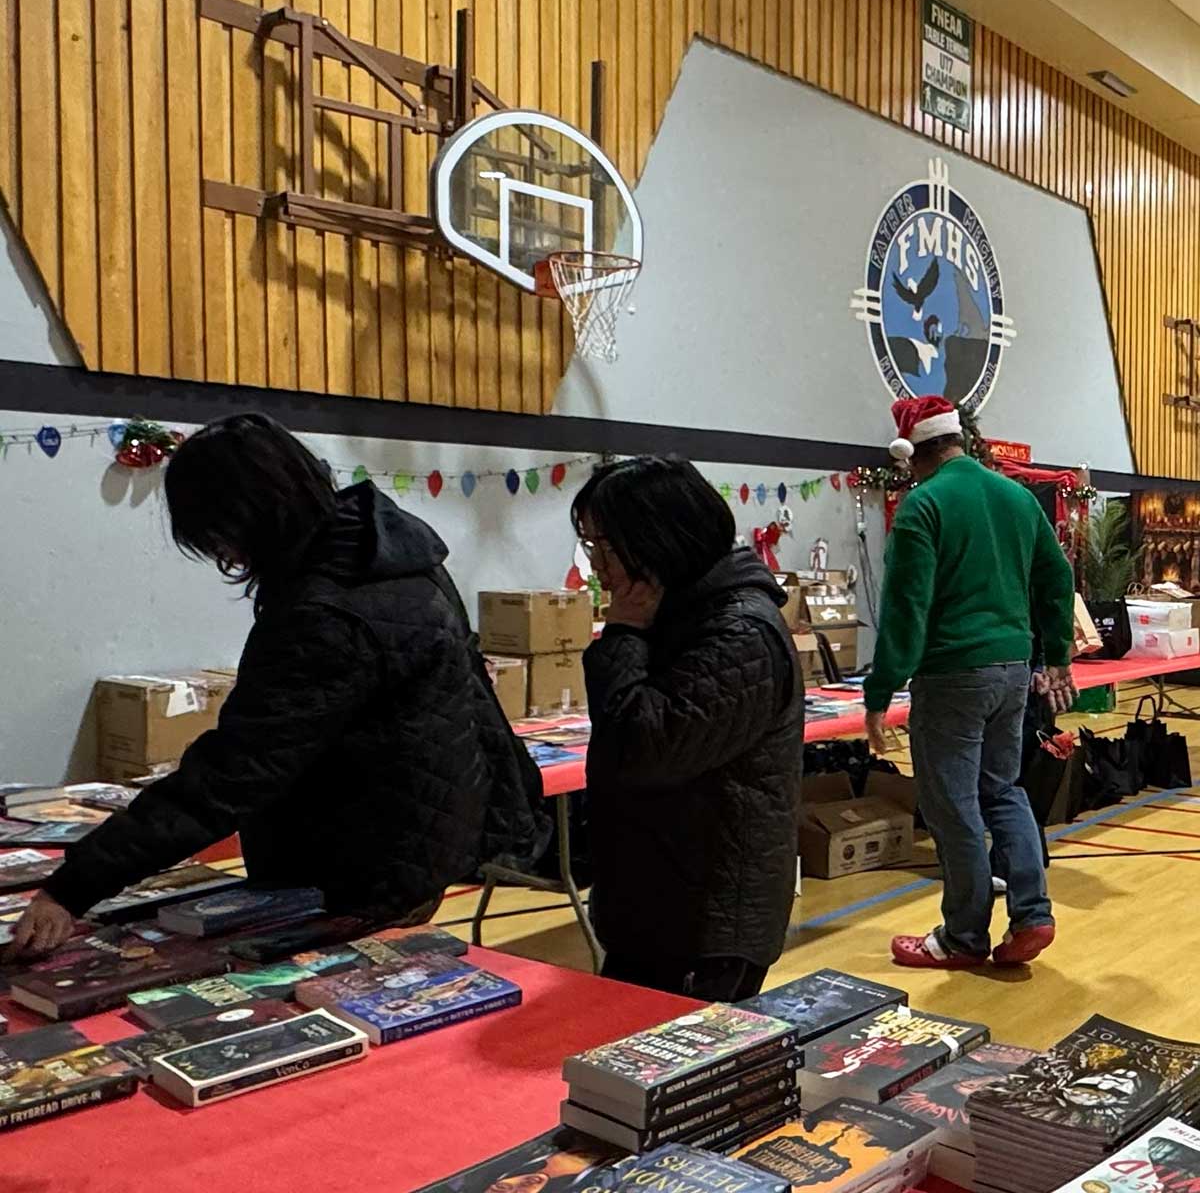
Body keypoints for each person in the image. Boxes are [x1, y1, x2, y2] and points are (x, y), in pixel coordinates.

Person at [6, 414, 549, 957]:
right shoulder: (389, 552)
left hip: (360, 865)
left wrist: (72, 887)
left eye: (217, 537)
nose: (224, 557)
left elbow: (237, 771)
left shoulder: (324, 612)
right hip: (420, 839)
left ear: (246, 518)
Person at [572, 456, 803, 1001]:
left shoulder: (737, 631)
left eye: (603, 547)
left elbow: (641, 747)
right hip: (664, 900)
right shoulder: (683, 612)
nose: (596, 566)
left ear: (657, 541)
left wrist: (623, 633)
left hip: (705, 920)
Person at [862, 396, 1075, 970]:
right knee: (1002, 790)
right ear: (960, 441)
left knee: (953, 807)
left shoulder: (922, 506)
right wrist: (1055, 653)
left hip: (953, 675)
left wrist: (880, 693)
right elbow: (1057, 576)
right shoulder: (1016, 497)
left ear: (910, 454)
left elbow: (906, 608)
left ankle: (962, 937)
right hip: (1013, 669)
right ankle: (1033, 912)